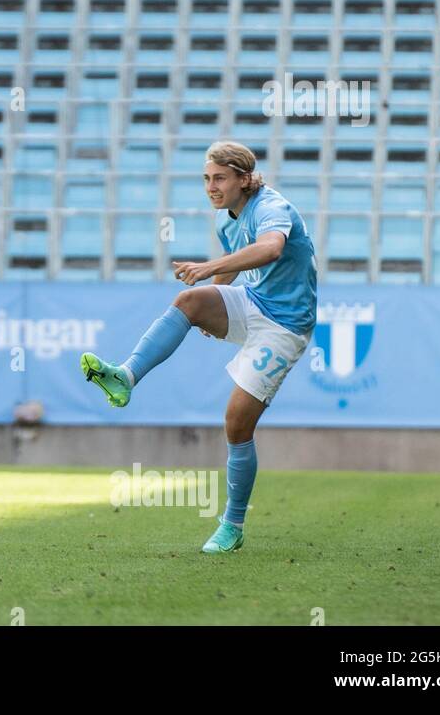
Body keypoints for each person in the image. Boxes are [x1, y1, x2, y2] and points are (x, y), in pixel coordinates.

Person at [80, 141, 317, 553]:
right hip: (254, 303)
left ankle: (233, 525)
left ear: (245, 179)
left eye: (220, 178)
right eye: (207, 178)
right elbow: (234, 260)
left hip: (286, 324)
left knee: (236, 424)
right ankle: (126, 375)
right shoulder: (227, 219)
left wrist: (210, 269)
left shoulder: (270, 207)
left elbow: (271, 248)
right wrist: (215, 301)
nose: (211, 186)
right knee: (190, 302)